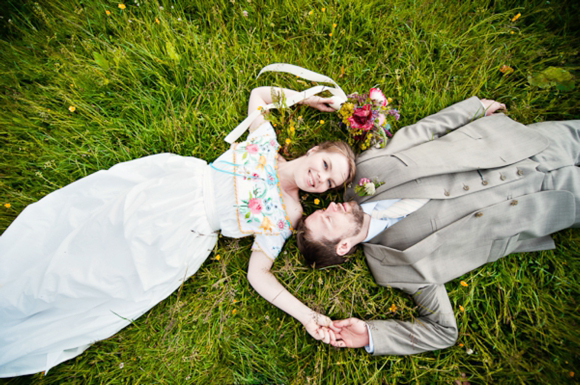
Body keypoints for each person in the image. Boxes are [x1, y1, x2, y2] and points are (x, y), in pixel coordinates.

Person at [0, 82, 355, 377]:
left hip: (183, 236)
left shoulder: (288, 214)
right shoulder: (266, 142)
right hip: (172, 187)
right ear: (313, 150)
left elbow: (259, 274)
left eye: (328, 183)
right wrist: (305, 97)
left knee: (89, 279)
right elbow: (260, 95)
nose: (320, 178)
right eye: (324, 165)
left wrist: (308, 316)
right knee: (84, 230)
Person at [296, 96, 580, 355]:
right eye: (328, 218)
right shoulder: (395, 268)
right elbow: (443, 331)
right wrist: (371, 334)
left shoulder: (366, 169)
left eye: (326, 208)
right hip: (549, 200)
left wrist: (473, 109)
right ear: (343, 246)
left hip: (523, 143)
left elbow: (422, 132)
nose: (331, 205)